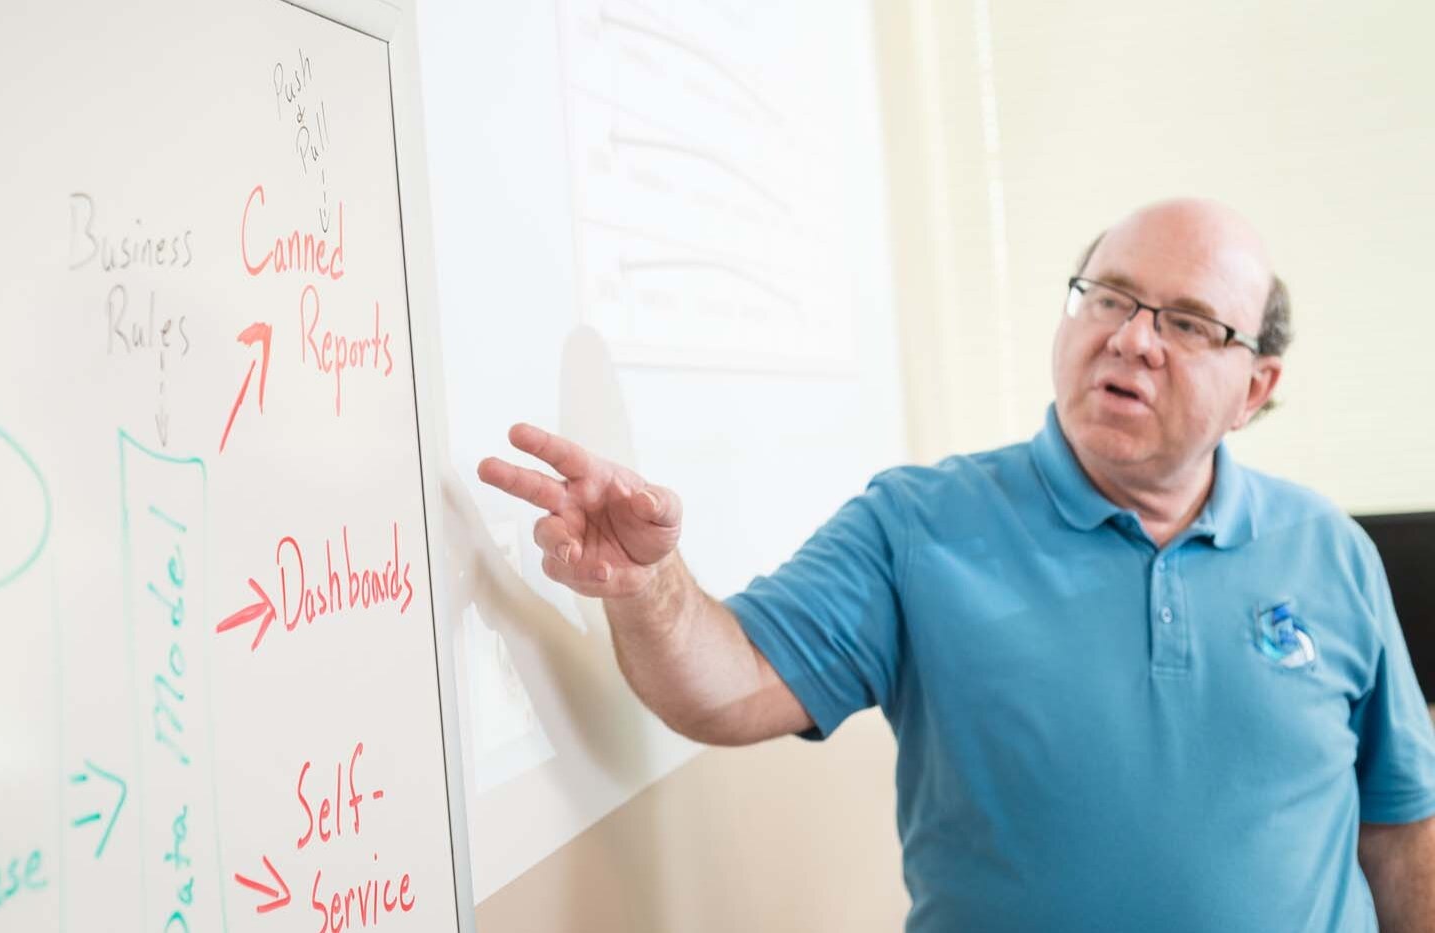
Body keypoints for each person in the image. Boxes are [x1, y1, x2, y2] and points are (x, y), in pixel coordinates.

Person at [476, 199, 1435, 931]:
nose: (1132, 337)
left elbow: (1399, 828)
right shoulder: (921, 525)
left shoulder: (1330, 551)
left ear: (1255, 388)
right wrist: (649, 586)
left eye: (1188, 323)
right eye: (1108, 297)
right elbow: (727, 684)